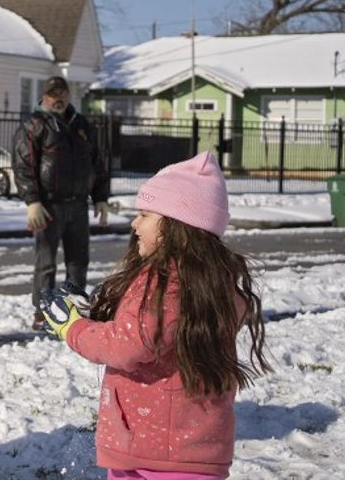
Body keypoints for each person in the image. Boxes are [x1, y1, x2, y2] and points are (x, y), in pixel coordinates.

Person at [38, 152, 269, 479]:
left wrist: (72, 328)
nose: (134, 224)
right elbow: (151, 331)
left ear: (176, 225)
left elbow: (128, 345)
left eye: (145, 214)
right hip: (195, 450)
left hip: (152, 450)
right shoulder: (211, 282)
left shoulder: (165, 284)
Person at [12, 75, 111, 330]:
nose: (58, 99)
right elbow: (23, 166)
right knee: (46, 262)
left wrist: (100, 198)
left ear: (68, 95)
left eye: (62, 94)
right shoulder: (34, 126)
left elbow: (97, 164)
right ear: (44, 96)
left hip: (78, 205)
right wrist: (32, 201)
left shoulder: (82, 126)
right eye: (52, 94)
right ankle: (43, 313)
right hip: (48, 207)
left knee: (78, 261)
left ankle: (74, 310)